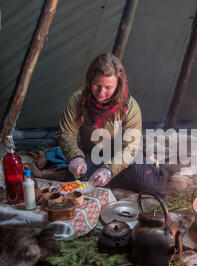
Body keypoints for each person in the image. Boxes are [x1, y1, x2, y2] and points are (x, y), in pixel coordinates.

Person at [57, 53, 168, 193]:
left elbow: (130, 148)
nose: (101, 92)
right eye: (96, 84)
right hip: (94, 154)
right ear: (90, 80)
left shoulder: (130, 107)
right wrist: (76, 157)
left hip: (124, 156)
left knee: (151, 184)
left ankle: (114, 175)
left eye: (108, 87)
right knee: (76, 176)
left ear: (118, 85)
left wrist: (109, 170)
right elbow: (66, 133)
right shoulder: (78, 100)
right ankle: (112, 178)